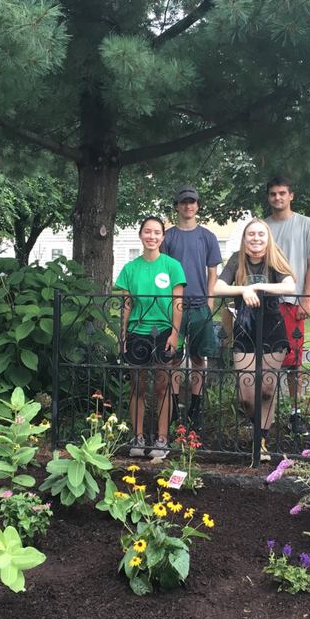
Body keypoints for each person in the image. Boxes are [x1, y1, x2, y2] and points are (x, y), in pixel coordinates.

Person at [213, 219, 296, 459]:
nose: (256, 238)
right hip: (245, 330)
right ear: (245, 237)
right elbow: (218, 287)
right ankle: (253, 423)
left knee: (267, 391)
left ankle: (260, 443)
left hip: (272, 329)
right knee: (247, 395)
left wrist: (258, 288)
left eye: (261, 234)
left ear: (267, 237)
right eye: (252, 234)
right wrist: (243, 289)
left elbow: (289, 286)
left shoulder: (275, 258)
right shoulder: (237, 259)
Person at [117, 217, 186, 460]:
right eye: (147, 231)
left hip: (164, 331)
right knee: (138, 384)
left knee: (162, 386)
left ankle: (162, 439)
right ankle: (137, 437)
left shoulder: (172, 266)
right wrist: (123, 334)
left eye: (157, 232)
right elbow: (127, 304)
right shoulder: (130, 268)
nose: (152, 236)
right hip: (138, 331)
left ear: (163, 237)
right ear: (140, 235)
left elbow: (178, 303)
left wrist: (175, 334)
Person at [162, 184, 223, 432]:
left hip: (199, 306)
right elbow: (163, 273)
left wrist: (209, 304)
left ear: (198, 206)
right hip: (174, 307)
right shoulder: (168, 237)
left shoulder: (207, 237)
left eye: (192, 202)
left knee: (200, 357)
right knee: (174, 358)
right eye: (183, 202)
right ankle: (175, 407)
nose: (188, 205)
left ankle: (196, 407)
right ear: (177, 206)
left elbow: (213, 273)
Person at [264, 176, 310, 437]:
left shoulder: (307, 224)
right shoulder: (261, 227)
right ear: (269, 197)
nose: (278, 197)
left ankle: (295, 413)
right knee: (265, 360)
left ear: (291, 196)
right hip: (265, 303)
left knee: (294, 362)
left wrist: (306, 298)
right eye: (273, 193)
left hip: (292, 302)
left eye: (282, 193)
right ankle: (262, 414)